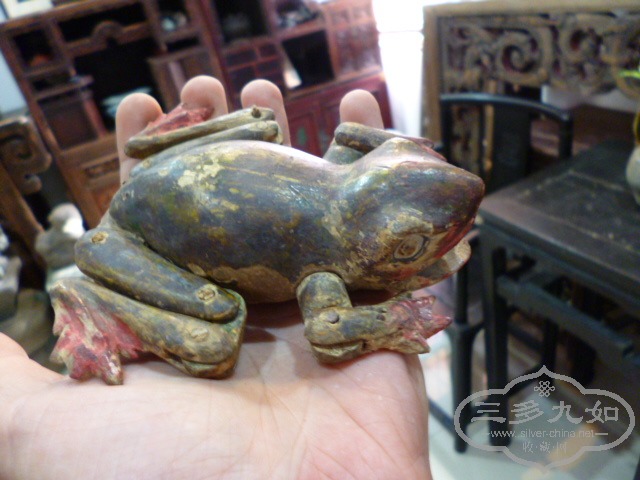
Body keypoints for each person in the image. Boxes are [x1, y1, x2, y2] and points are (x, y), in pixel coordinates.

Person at [0, 77, 433, 479]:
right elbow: (326, 327)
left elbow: (350, 135)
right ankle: (88, 299)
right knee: (216, 339)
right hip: (130, 236)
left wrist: (407, 151)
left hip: (161, 173)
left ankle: (153, 141)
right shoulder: (325, 273)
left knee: (263, 124)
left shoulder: (344, 164)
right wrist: (395, 319)